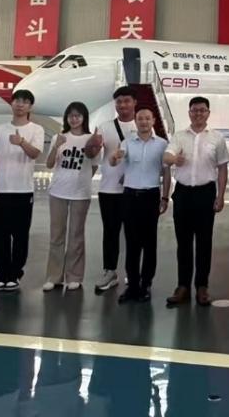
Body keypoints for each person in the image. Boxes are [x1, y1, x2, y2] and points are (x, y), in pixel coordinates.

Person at [163, 96, 229, 307]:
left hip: (205, 193)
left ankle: (202, 286)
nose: (198, 113)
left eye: (202, 110)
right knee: (183, 243)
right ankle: (182, 286)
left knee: (204, 242)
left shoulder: (217, 138)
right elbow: (166, 157)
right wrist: (175, 159)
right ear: (189, 113)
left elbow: (222, 168)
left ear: (208, 113)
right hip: (183, 194)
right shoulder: (179, 136)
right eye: (194, 110)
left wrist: (220, 196)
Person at [0, 89, 44, 292]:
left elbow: (35, 154)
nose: (20, 104)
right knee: (0, 235)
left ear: (30, 106)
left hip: (23, 190)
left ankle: (15, 274)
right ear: (12, 104)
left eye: (25, 101)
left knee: (20, 235)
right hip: (1, 190)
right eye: (17, 100)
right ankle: (1, 275)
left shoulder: (36, 129)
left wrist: (22, 142)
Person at [112, 106, 171, 304]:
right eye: (140, 119)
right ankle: (133, 286)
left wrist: (165, 197)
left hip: (150, 197)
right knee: (131, 243)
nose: (144, 122)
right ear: (135, 122)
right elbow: (116, 160)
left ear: (153, 121)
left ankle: (146, 284)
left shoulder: (162, 144)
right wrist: (114, 157)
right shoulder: (127, 142)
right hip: (130, 197)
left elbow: (167, 173)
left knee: (149, 243)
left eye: (147, 118)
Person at [85, 86, 138, 294]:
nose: (122, 105)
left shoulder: (143, 125)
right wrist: (92, 145)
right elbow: (91, 154)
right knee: (110, 233)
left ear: (134, 102)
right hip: (109, 189)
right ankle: (110, 271)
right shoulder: (105, 127)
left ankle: (133, 273)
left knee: (134, 234)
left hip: (134, 190)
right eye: (119, 101)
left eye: (126, 100)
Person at [43, 102, 95, 292]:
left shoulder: (91, 139)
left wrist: (82, 181)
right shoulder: (59, 137)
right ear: (66, 118)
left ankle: (74, 276)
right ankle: (53, 276)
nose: (74, 119)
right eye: (71, 115)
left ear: (84, 118)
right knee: (56, 235)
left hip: (80, 194)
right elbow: (49, 164)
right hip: (58, 192)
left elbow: (94, 164)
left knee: (76, 235)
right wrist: (56, 146)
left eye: (78, 115)